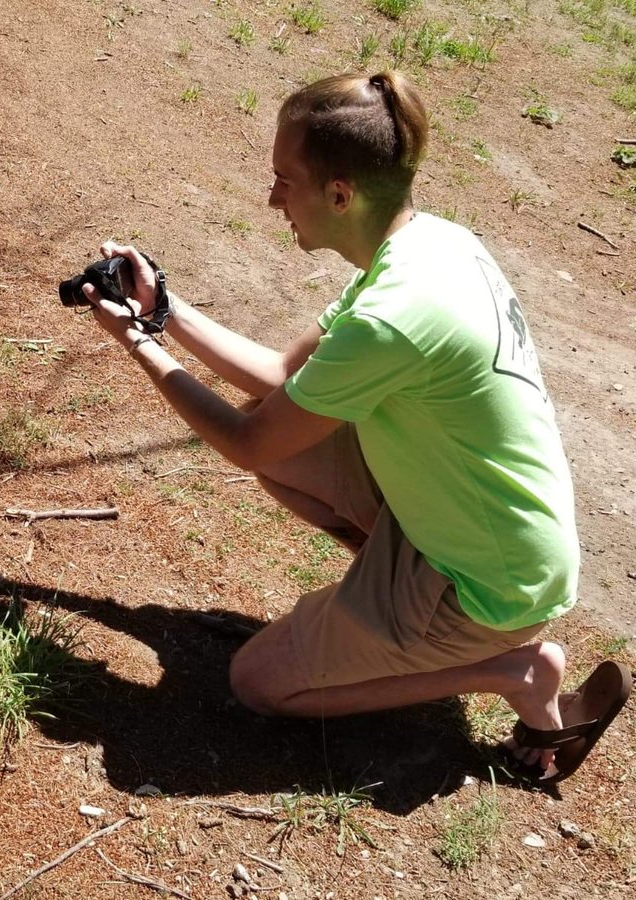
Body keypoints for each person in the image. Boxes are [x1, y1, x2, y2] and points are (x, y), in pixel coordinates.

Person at [80, 70, 631, 784]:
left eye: (285, 179)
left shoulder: (392, 319)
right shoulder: (430, 245)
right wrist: (166, 308)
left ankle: (510, 672)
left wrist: (136, 343)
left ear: (340, 193)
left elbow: (247, 445)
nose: (272, 196)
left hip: (488, 588)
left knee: (257, 683)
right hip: (489, 527)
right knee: (282, 440)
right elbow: (283, 381)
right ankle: (397, 608)